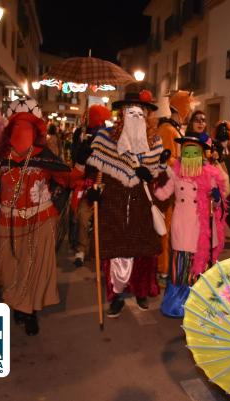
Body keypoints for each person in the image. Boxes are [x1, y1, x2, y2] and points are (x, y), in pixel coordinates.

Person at [0, 99, 89, 336]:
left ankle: (28, 311)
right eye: (18, 127)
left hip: (41, 221)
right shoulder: (1, 158)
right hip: (9, 223)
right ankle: (19, 305)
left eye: (28, 127)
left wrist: (81, 161)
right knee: (11, 268)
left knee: (34, 267)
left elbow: (69, 179)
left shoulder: (44, 156)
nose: (23, 133)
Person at [85, 90, 170, 318]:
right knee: (116, 254)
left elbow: (161, 176)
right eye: (129, 110)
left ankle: (141, 290)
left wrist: (151, 173)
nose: (134, 114)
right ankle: (116, 296)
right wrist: (92, 192)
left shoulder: (155, 142)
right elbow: (96, 174)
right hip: (113, 205)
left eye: (139, 111)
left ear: (146, 113)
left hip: (142, 206)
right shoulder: (105, 138)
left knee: (142, 253)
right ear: (122, 113)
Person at [154, 132, 227, 318]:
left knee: (200, 264)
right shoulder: (175, 174)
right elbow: (161, 194)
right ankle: (176, 304)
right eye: (187, 151)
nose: (190, 156)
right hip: (182, 226)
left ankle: (197, 305)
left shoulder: (211, 174)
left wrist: (217, 198)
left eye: (195, 152)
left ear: (202, 154)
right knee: (181, 265)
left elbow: (219, 205)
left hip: (202, 227)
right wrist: (159, 171)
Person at [155, 90, 196, 281]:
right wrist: (180, 163)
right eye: (187, 107)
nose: (189, 111)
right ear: (182, 108)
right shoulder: (167, 129)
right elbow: (164, 158)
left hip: (177, 184)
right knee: (165, 227)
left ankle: (167, 266)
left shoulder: (175, 129)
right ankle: (162, 267)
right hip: (168, 183)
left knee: (172, 228)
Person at [72, 104, 111, 267]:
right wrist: (82, 155)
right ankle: (81, 249)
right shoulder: (82, 136)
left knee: (105, 220)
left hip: (106, 182)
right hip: (87, 182)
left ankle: (101, 251)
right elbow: (77, 164)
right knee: (83, 216)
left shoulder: (110, 137)